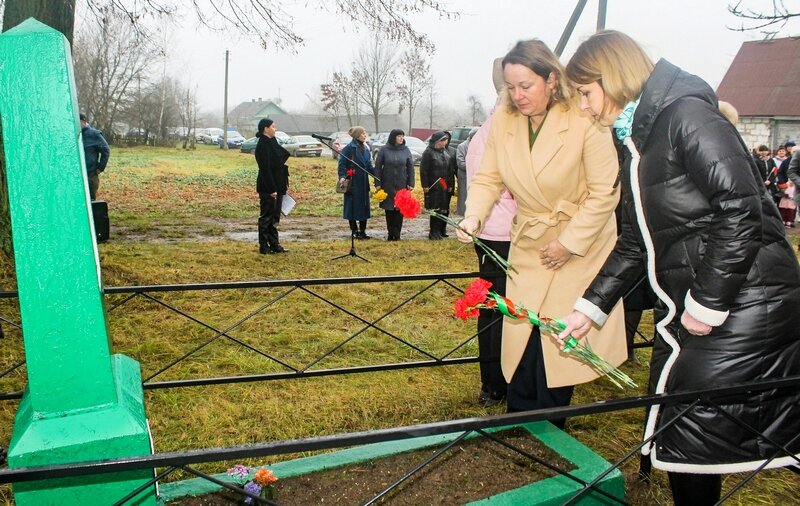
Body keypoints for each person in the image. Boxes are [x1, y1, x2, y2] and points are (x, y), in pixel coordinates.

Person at [560, 30, 800, 505]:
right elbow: (637, 240)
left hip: (749, 301)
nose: (584, 107)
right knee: (703, 429)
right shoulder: (639, 139)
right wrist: (589, 308)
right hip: (721, 303)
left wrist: (707, 302)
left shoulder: (686, 116)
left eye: (586, 93)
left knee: (689, 428)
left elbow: (742, 208)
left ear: (612, 76)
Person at [456, 39, 626, 423]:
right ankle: (519, 421)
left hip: (578, 242)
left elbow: (605, 192)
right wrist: (473, 216)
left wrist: (569, 244)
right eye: (510, 87)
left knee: (556, 339)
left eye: (526, 86)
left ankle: (549, 425)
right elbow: (489, 178)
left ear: (551, 80)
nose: (517, 96)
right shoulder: (505, 121)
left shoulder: (583, 118)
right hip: (531, 240)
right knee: (523, 332)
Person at [465, 57, 518, 407]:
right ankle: (499, 382)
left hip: (488, 231)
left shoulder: (484, 130)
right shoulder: (506, 129)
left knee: (492, 308)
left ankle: (493, 382)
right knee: (503, 309)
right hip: (506, 235)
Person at [255, 118, 291, 254]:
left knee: (275, 217)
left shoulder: (272, 141)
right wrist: (272, 189)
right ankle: (264, 246)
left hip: (279, 184)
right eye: (273, 126)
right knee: (266, 217)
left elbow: (281, 157)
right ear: (266, 128)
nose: (275, 129)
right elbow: (265, 169)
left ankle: (274, 244)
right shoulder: (262, 145)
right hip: (268, 187)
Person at [374, 129, 415, 241]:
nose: (401, 138)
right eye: (399, 136)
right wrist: (377, 183)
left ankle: (397, 234)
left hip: (402, 183)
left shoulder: (406, 150)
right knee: (389, 209)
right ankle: (390, 233)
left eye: (402, 136)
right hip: (387, 183)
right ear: (393, 137)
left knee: (399, 209)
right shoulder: (384, 150)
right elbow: (377, 168)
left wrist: (411, 183)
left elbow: (410, 168)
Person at [338, 126, 375, 239]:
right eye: (363, 133)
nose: (365, 135)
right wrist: (342, 176)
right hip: (352, 182)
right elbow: (342, 164)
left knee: (364, 207)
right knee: (352, 207)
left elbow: (368, 166)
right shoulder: (349, 148)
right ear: (357, 135)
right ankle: (354, 231)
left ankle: (362, 231)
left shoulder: (366, 148)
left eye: (365, 133)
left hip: (363, 183)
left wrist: (377, 175)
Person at [420, 131, 455, 240]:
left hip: (444, 186)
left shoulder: (445, 152)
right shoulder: (428, 152)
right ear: (437, 141)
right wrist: (425, 185)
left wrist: (450, 184)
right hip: (433, 185)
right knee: (435, 209)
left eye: (446, 140)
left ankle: (441, 230)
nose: (446, 142)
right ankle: (434, 232)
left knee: (444, 208)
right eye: (443, 140)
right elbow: (423, 170)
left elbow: (450, 170)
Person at [79, 113, 110, 201]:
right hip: (75, 176)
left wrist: (100, 168)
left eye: (78, 121)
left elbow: (106, 150)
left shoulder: (94, 134)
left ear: (84, 121)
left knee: (90, 202)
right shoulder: (72, 135)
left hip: (90, 176)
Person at [455, 128, 478, 217]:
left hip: (476, 176)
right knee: (464, 197)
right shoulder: (462, 146)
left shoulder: (481, 145)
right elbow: (460, 163)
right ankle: (462, 215)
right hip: (464, 176)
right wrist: (474, 167)